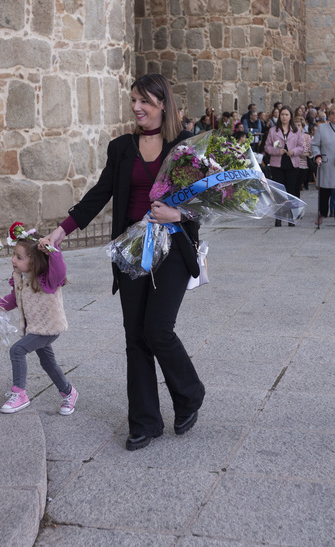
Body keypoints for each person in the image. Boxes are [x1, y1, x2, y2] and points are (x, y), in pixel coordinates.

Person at [40, 74, 203, 451]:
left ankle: (190, 393)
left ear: (163, 102)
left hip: (173, 249)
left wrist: (179, 217)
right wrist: (60, 232)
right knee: (135, 337)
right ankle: (145, 421)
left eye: (144, 100)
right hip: (132, 251)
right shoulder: (122, 148)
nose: (136, 107)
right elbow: (99, 195)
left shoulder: (185, 147)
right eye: (133, 100)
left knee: (158, 329)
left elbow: (203, 202)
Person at [0, 232, 77, 416]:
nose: (13, 259)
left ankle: (20, 394)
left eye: (19, 257)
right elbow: (14, 299)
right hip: (35, 328)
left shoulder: (48, 277)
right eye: (14, 255)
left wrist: (51, 248)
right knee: (48, 362)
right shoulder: (22, 278)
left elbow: (60, 268)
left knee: (17, 350)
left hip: (48, 328)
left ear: (33, 261)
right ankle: (69, 392)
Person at [263, 106, 305, 227]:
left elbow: (301, 146)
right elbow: (267, 147)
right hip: (277, 164)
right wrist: (277, 151)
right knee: (279, 192)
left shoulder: (296, 130)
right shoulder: (273, 131)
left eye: (286, 115)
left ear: (290, 116)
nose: (284, 117)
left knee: (291, 191)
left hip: (292, 163)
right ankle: (279, 217)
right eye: (282, 115)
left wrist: (294, 151)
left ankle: (291, 217)